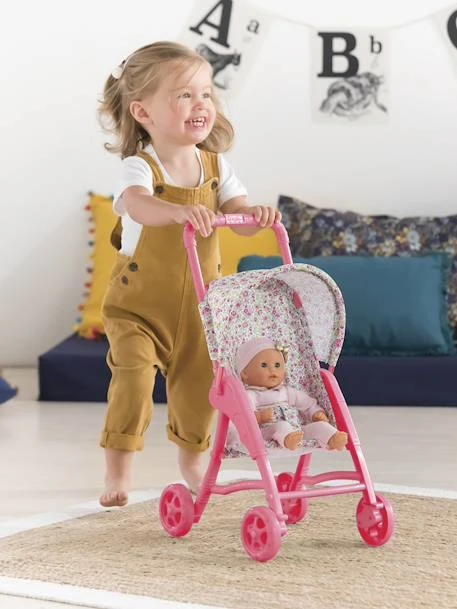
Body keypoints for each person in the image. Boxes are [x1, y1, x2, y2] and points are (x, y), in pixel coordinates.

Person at [97, 41, 281, 507]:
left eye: (205, 94)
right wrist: (175, 211)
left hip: (203, 307)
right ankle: (118, 473)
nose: (200, 105)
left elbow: (238, 212)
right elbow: (138, 204)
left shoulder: (217, 167)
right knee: (133, 381)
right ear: (143, 112)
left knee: (199, 388)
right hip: (138, 306)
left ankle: (193, 463)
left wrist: (254, 215)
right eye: (184, 95)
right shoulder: (139, 167)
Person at [235, 337, 348, 451]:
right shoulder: (250, 395)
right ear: (245, 373)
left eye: (277, 365)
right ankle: (288, 440)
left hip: (297, 431)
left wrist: (316, 412)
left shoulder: (287, 392)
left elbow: (308, 404)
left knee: (321, 426)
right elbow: (242, 418)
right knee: (282, 426)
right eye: (264, 365)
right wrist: (259, 417)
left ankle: (333, 439)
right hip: (266, 433)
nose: (272, 370)